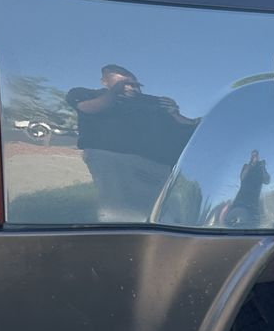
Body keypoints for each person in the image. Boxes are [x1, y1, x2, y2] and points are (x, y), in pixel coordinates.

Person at [66, 65, 197, 221]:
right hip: (112, 156)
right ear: (104, 81)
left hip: (159, 163)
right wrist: (115, 91)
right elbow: (90, 108)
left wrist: (174, 113)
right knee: (121, 209)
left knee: (166, 210)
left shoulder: (152, 101)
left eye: (132, 81)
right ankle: (122, 238)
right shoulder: (87, 94)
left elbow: (185, 128)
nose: (128, 84)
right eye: (120, 79)